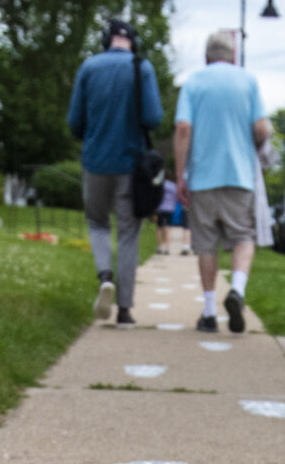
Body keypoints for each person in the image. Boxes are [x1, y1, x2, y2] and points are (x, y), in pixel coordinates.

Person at [65, 17, 164, 326]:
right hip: (129, 164)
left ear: (106, 39)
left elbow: (74, 122)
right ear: (132, 40)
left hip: (95, 162)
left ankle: (104, 275)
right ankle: (124, 309)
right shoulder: (142, 68)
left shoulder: (89, 68)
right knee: (128, 233)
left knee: (96, 222)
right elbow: (153, 116)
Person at [172, 27, 271, 333]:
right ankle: (238, 289)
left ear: (206, 56)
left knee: (205, 245)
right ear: (233, 56)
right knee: (243, 237)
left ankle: (210, 312)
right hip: (240, 176)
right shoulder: (248, 80)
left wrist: (180, 175)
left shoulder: (194, 83)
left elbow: (184, 129)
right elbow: (263, 129)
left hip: (202, 176)